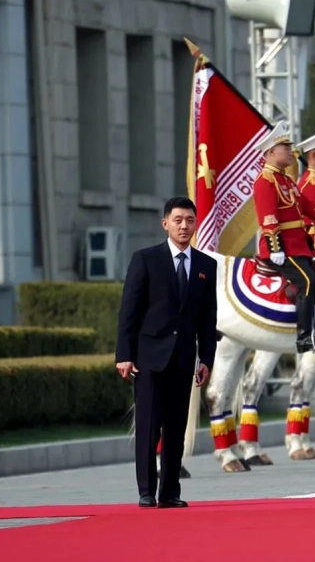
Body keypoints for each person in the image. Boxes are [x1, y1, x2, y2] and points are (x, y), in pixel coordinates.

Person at [115, 197, 218, 509]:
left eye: (189, 220)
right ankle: (146, 491)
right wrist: (124, 354)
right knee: (148, 426)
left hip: (184, 358)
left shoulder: (206, 265)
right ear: (165, 224)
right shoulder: (145, 259)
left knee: (176, 428)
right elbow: (129, 311)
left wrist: (207, 359)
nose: (184, 226)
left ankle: (170, 492)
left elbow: (207, 318)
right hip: (148, 358)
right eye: (178, 220)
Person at [254, 121, 315, 353]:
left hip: (298, 245)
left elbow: (309, 207)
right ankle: (304, 336)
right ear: (271, 152)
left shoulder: (286, 180)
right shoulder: (265, 181)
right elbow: (268, 218)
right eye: (286, 147)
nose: (291, 151)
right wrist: (275, 247)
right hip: (282, 248)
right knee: (308, 281)